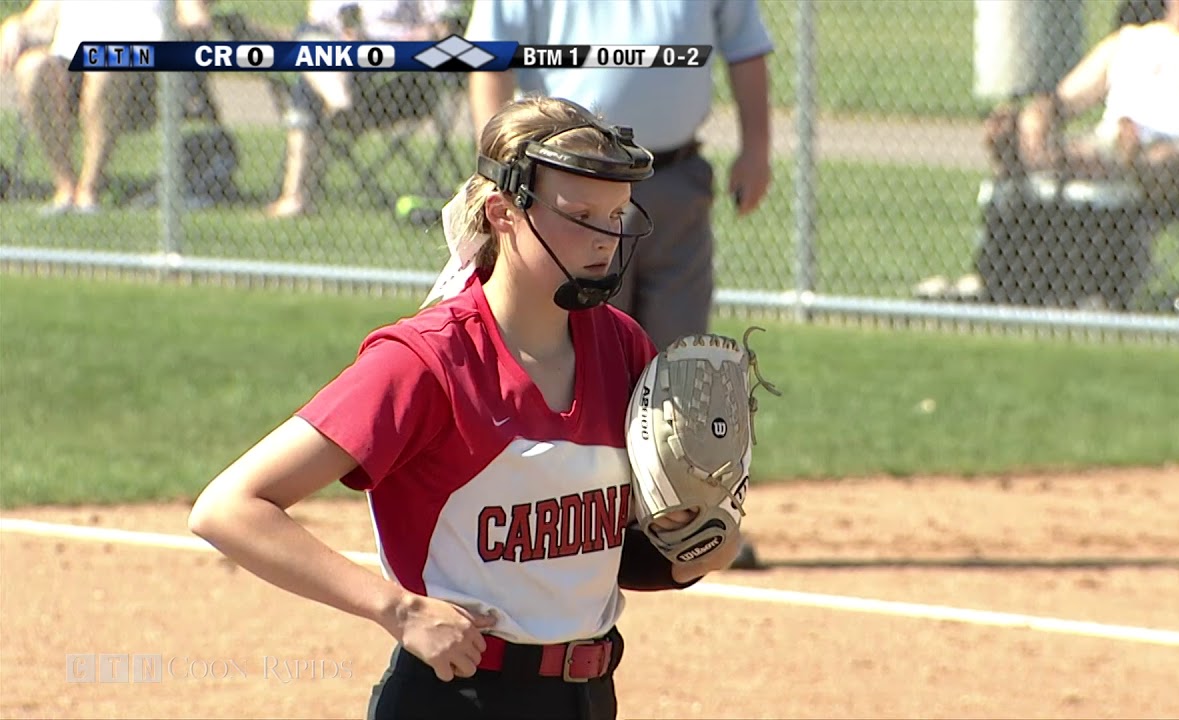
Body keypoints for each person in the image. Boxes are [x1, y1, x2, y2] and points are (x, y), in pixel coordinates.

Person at [188, 96, 740, 720]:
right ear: (504, 213)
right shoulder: (427, 360)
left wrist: (692, 550)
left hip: (587, 697)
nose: (605, 238)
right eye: (580, 215)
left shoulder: (622, 344)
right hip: (458, 698)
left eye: (615, 215)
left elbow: (599, 554)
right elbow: (228, 507)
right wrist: (396, 608)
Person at [467, 0, 774, 570]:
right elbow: (488, 55)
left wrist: (757, 147)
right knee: (585, 350)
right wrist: (495, 165)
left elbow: (746, 46)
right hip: (566, 197)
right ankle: (571, 514)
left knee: (679, 364)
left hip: (677, 177)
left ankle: (679, 515)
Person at [985, 0, 1179, 198]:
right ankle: (1044, 153)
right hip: (1114, 141)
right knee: (1101, 144)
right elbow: (1061, 101)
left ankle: (1064, 160)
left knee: (1162, 159)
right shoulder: (1130, 41)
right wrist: (1036, 117)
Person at [1, 0, 213, 214]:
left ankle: (88, 190)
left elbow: (196, 22)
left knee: (106, 61)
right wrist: (13, 27)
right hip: (71, 71)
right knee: (33, 67)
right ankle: (65, 188)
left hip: (141, 78)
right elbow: (34, 20)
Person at [264, 0, 467, 218]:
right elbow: (317, 25)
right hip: (347, 71)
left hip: (401, 81)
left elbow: (448, 27)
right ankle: (337, 98)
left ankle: (295, 196)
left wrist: (407, 40)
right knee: (309, 45)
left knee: (310, 77)